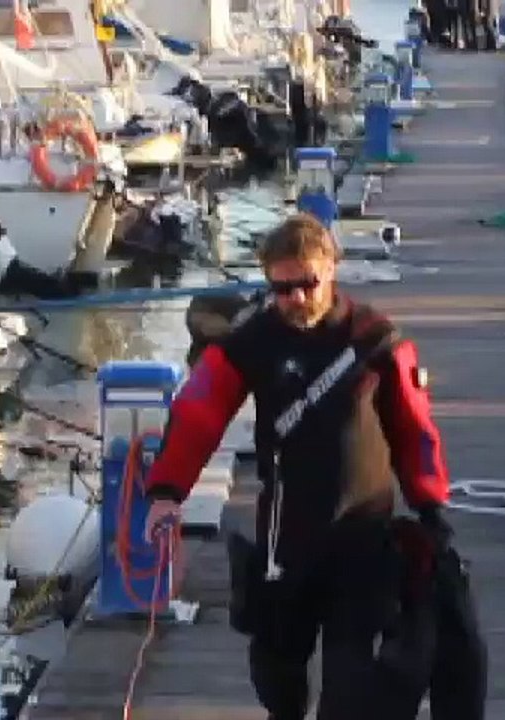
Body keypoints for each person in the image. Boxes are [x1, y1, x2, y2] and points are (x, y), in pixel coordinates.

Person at [141, 214, 486, 719]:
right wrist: (168, 493)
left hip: (363, 539)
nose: (295, 299)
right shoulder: (249, 344)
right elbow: (199, 413)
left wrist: (430, 505)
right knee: (277, 681)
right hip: (286, 545)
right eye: (282, 289)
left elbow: (414, 428)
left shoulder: (375, 339)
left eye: (307, 284)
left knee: (351, 691)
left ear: (332, 270)